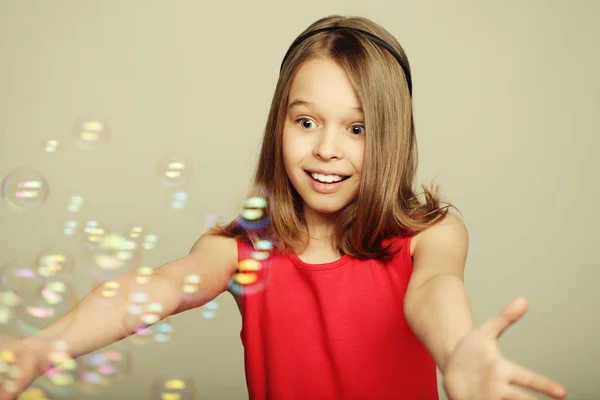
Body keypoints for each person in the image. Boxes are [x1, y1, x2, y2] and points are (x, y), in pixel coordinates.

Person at [0, 14, 567, 400]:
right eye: (306, 121)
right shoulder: (239, 250)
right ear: (280, 126)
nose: (327, 148)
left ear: (392, 136)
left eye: (358, 128)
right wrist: (37, 349)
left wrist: (457, 350)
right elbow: (163, 286)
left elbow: (434, 291)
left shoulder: (431, 234)